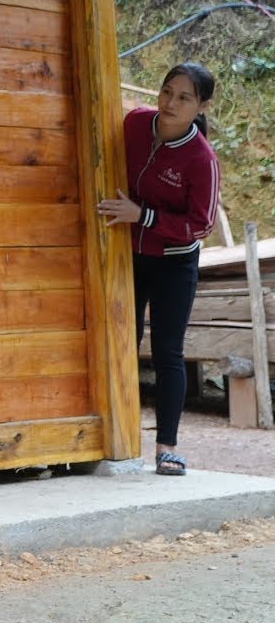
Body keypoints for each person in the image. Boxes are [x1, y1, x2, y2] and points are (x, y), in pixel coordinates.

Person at [97, 62, 219, 477]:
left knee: (167, 353)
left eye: (184, 97)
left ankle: (166, 447)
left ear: (200, 105)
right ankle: (115, 437)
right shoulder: (135, 125)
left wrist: (142, 216)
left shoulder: (201, 159)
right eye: (167, 91)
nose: (170, 103)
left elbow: (201, 224)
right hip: (127, 255)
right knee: (119, 341)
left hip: (174, 263)